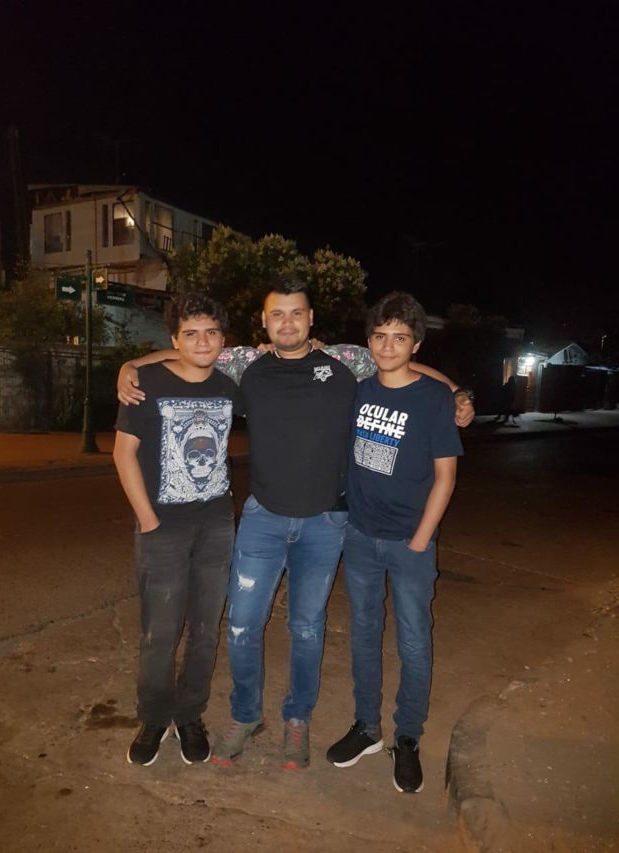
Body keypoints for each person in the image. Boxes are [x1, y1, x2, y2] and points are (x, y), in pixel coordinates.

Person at [117, 275, 474, 770]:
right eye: (277, 314)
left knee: (307, 628)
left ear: (311, 319)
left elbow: (405, 361)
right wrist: (130, 365)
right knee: (242, 624)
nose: (287, 323)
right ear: (264, 322)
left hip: (326, 523)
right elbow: (189, 350)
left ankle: (297, 718)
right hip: (262, 518)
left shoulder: (346, 361)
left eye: (297, 313)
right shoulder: (245, 363)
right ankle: (245, 715)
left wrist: (457, 392)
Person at [325, 291, 463, 794]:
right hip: (360, 536)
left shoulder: (433, 399)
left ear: (416, 344)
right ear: (369, 341)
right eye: (380, 336)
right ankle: (367, 727)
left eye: (399, 337)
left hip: (410, 542)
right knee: (364, 634)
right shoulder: (357, 390)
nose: (388, 346)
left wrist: (421, 540)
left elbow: (446, 476)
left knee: (413, 641)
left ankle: (408, 736)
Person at [113, 292, 243, 766]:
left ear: (223, 339)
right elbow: (123, 453)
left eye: (211, 332)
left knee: (206, 629)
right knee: (160, 632)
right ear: (174, 339)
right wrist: (148, 519)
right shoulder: (145, 383)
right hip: (162, 529)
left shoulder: (229, 386)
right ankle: (153, 716)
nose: (202, 342)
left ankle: (189, 714)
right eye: (190, 333)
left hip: (216, 525)